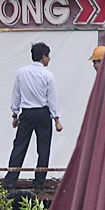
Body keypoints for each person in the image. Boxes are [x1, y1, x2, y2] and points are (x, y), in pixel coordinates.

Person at [5, 41, 63, 191]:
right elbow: (52, 100)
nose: (49, 59)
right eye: (48, 56)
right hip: (43, 113)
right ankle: (39, 183)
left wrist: (15, 114)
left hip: (27, 113)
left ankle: (10, 181)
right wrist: (56, 119)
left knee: (19, 146)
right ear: (43, 57)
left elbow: (16, 95)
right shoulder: (48, 75)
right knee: (43, 148)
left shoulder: (21, 72)